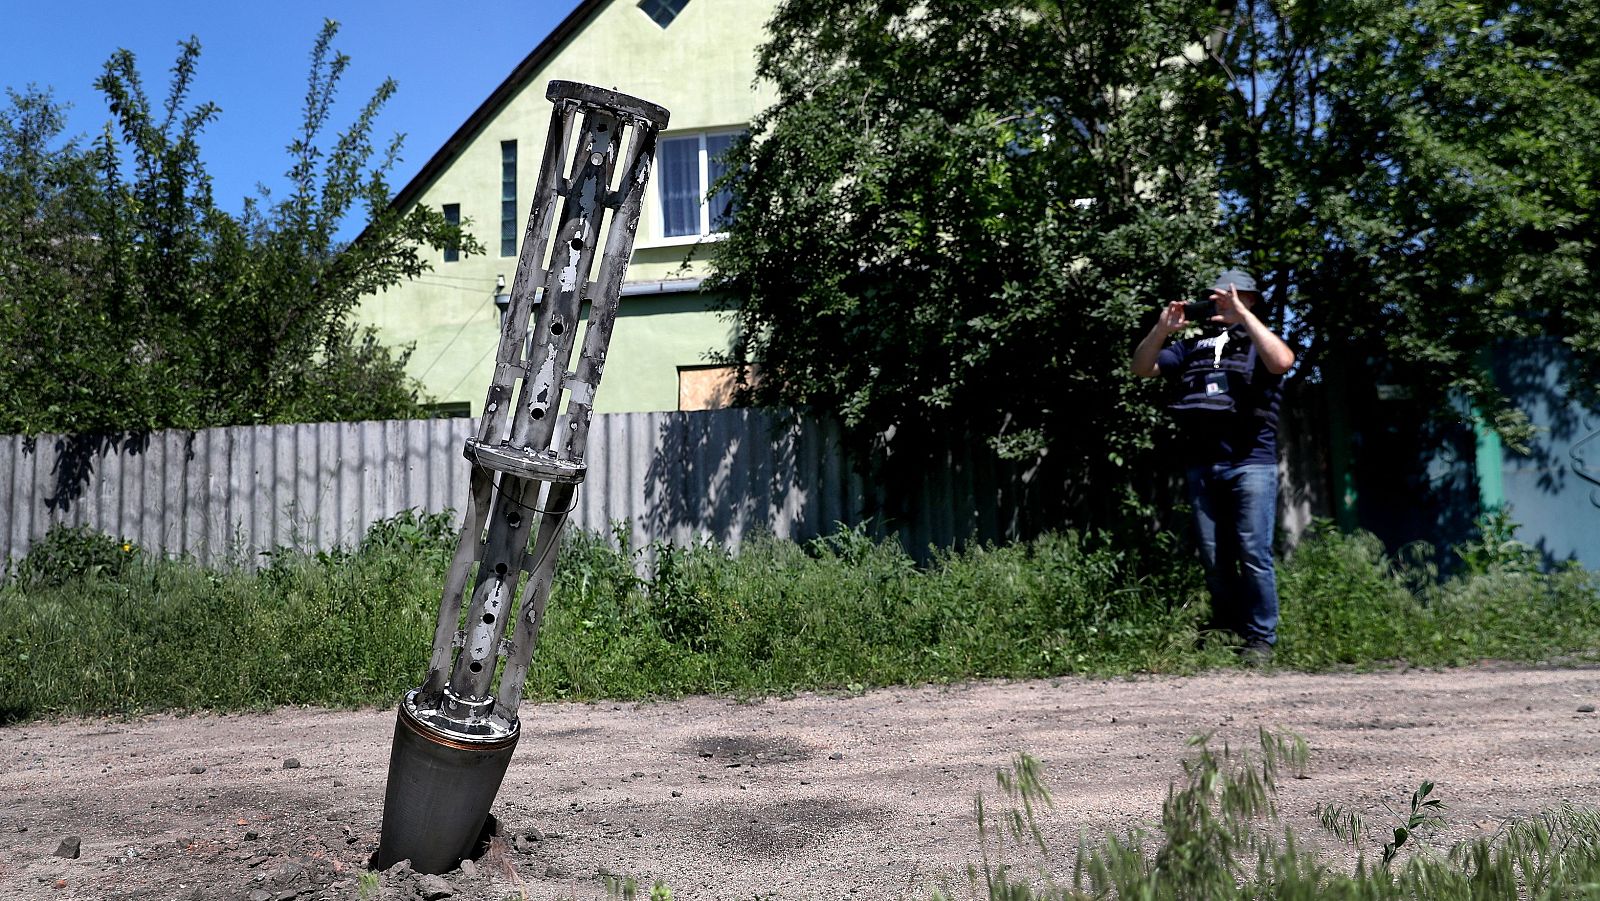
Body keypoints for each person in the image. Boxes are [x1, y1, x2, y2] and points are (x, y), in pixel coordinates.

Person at [1130, 269, 1296, 664]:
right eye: (1214, 297)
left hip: (1250, 464)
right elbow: (1141, 368)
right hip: (1203, 466)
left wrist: (1243, 316)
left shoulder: (1260, 342)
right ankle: (1226, 629)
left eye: (1228, 296)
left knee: (1253, 553)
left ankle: (1260, 639)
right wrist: (1161, 330)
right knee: (1214, 556)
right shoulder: (1193, 346)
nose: (1218, 303)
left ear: (1249, 299)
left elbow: (1282, 361)